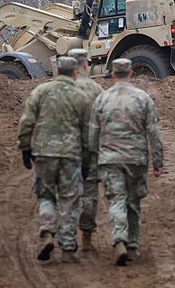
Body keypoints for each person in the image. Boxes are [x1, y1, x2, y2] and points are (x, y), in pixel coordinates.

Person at [88, 58, 164, 266]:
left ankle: (119, 239)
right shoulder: (143, 98)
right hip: (136, 159)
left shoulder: (102, 99)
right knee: (133, 202)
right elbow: (154, 132)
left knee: (116, 200)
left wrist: (93, 160)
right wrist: (158, 161)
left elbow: (93, 134)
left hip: (110, 159)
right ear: (131, 74)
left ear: (112, 75)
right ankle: (132, 245)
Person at [17, 56, 91, 263]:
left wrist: (25, 147)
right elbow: (88, 132)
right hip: (71, 154)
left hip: (44, 154)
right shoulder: (81, 96)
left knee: (45, 196)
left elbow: (27, 121)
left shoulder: (40, 92)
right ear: (75, 71)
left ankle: (47, 232)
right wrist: (86, 160)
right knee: (69, 199)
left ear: (57, 71)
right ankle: (68, 247)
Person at [66, 48, 105, 251]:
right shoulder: (96, 89)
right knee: (90, 193)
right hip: (91, 150)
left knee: (68, 194)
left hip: (67, 150)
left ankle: (68, 238)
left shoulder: (61, 88)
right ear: (84, 65)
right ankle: (87, 236)